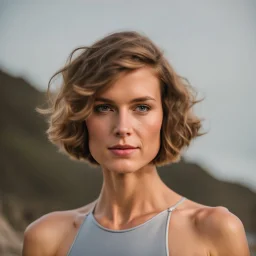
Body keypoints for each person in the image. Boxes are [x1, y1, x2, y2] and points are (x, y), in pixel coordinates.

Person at [22, 31, 250, 256]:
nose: (122, 127)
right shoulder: (47, 238)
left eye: (141, 107)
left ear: (166, 116)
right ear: (81, 117)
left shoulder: (214, 230)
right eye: (104, 108)